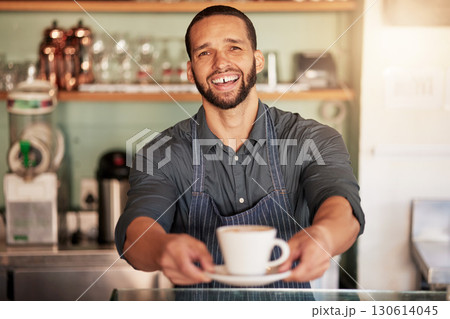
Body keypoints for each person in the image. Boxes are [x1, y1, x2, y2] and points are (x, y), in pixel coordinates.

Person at [115, 5, 364, 290]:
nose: (221, 63)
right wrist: (162, 248)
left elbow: (342, 206)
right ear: (189, 70)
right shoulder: (159, 152)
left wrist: (324, 236)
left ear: (257, 60)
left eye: (234, 48)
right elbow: (136, 232)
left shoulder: (314, 139)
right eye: (204, 52)